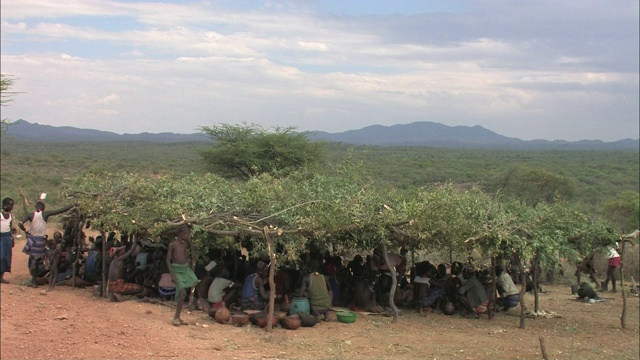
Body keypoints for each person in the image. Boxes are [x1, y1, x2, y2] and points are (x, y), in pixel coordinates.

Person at [18, 201, 74, 287]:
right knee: (36, 261)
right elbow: (59, 211)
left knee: (33, 259)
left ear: (36, 207)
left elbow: (20, 223)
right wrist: (72, 205)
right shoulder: (45, 214)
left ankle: (33, 280)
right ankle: (34, 280)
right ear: (43, 207)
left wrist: (26, 231)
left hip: (32, 239)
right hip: (41, 240)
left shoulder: (30, 215)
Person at [166, 225, 199, 326]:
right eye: (187, 234)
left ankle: (178, 317)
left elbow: (186, 257)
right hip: (176, 270)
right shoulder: (173, 244)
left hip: (185, 269)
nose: (188, 236)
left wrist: (189, 268)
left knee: (194, 281)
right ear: (181, 234)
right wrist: (172, 275)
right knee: (182, 292)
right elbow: (168, 260)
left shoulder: (185, 245)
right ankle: (176, 318)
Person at [1, 197, 15, 284]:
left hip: (7, 237)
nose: (12, 207)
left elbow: (10, 227)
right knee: (1, 257)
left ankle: (1, 277)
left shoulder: (10, 215)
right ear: (5, 205)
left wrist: (11, 238)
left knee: (6, 257)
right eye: (10, 205)